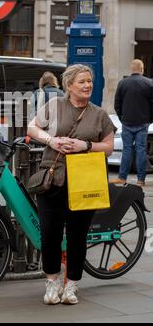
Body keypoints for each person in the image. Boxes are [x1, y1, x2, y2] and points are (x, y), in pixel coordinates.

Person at [27, 64, 115, 305]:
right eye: (82, 82)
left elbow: (109, 147)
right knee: (50, 234)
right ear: (69, 86)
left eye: (89, 81)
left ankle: (72, 285)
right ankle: (52, 281)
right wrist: (51, 140)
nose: (87, 85)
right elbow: (32, 127)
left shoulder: (99, 114)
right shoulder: (54, 107)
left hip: (84, 182)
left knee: (77, 236)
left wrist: (85, 146)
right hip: (53, 180)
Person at [110, 59, 153, 187]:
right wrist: (150, 119)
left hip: (127, 122)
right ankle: (140, 180)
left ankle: (122, 178)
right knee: (141, 150)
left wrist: (122, 117)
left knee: (127, 150)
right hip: (143, 122)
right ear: (142, 69)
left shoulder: (122, 83)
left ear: (131, 69)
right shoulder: (149, 83)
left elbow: (117, 104)